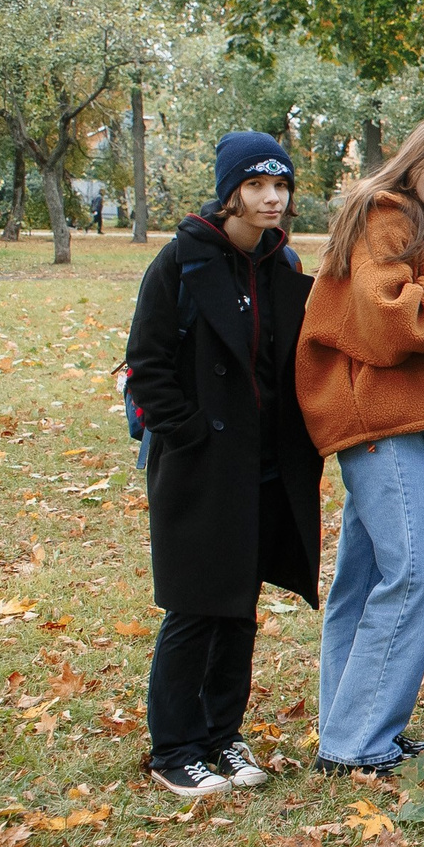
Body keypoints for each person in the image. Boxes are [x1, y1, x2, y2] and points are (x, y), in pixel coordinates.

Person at [126, 132, 323, 796]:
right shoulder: (181, 261)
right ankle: (174, 747)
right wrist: (191, 434)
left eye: (281, 186)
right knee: (195, 605)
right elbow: (146, 365)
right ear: (231, 190)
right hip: (203, 463)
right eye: (259, 186)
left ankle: (220, 733)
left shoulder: (281, 263)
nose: (273, 198)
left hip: (266, 465)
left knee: (239, 605)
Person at [297, 118, 424, 775]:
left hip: (380, 418)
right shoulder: (390, 215)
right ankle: (355, 743)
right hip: (381, 421)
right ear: (413, 161)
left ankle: (347, 726)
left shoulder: (395, 216)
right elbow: (392, 320)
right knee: (413, 577)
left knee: (365, 580)